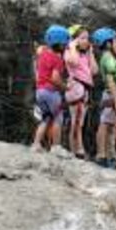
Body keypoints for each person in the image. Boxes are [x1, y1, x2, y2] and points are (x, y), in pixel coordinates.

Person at [92, 27, 116, 167]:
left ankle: (106, 155)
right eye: (115, 40)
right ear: (107, 43)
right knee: (105, 124)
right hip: (112, 93)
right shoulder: (108, 58)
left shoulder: (111, 58)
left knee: (109, 125)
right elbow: (111, 80)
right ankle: (101, 155)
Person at [32, 25, 69, 153]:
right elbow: (55, 78)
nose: (66, 46)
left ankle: (36, 144)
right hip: (51, 92)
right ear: (60, 44)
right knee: (58, 118)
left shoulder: (42, 55)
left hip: (39, 91)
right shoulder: (57, 59)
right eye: (65, 43)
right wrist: (65, 87)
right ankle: (56, 147)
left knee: (45, 118)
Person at [63, 25, 97, 159]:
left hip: (84, 89)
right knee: (75, 121)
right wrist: (72, 46)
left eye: (87, 38)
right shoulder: (69, 52)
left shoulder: (85, 54)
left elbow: (94, 71)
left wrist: (91, 53)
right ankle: (75, 149)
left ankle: (79, 148)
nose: (86, 41)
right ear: (74, 40)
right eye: (82, 38)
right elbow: (74, 62)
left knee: (80, 122)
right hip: (76, 88)